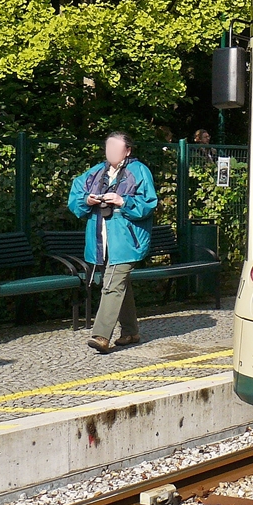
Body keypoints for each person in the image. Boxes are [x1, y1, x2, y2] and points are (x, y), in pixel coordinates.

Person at [68, 132, 158, 353]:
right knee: (120, 284)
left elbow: (149, 203)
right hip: (102, 239)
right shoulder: (96, 171)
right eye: (108, 148)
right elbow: (76, 194)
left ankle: (101, 336)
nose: (111, 153)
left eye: (116, 148)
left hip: (127, 240)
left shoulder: (139, 171)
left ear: (128, 150)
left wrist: (122, 201)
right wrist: (86, 200)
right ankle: (130, 331)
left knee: (111, 283)